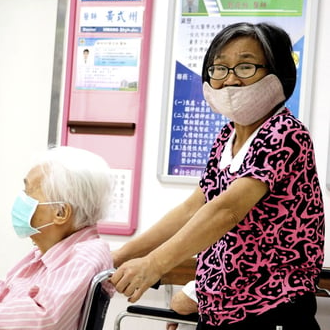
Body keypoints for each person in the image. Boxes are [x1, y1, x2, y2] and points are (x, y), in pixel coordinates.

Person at [110, 22, 325, 330]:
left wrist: (154, 264)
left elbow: (227, 209)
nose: (231, 80)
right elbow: (193, 207)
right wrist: (120, 255)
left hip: (271, 306)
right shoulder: (227, 136)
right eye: (220, 69)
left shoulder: (286, 134)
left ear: (278, 71)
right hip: (221, 309)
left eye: (246, 67)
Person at [0, 146, 114, 330]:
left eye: (28, 193)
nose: (21, 200)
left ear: (61, 212)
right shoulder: (41, 255)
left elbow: (42, 319)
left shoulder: (85, 255)